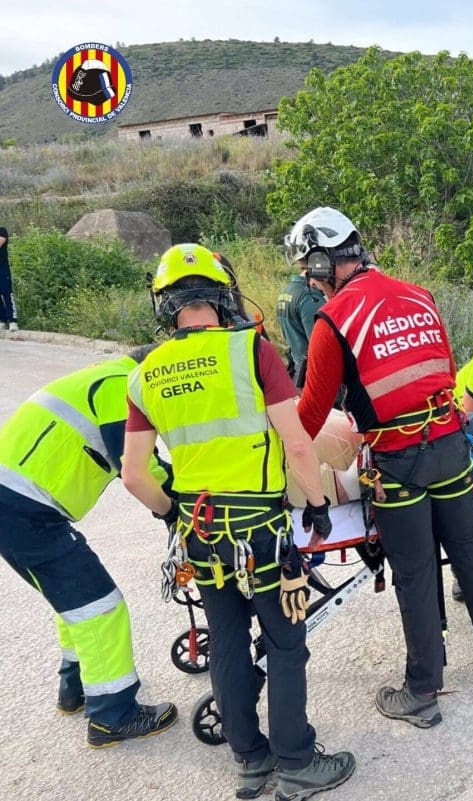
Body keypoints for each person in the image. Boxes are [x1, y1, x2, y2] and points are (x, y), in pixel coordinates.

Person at [122, 244, 354, 801]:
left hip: (199, 533)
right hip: (260, 534)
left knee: (225, 639)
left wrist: (173, 510)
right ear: (223, 295)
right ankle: (298, 763)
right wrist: (319, 506)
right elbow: (297, 442)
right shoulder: (251, 348)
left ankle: (250, 759)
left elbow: (135, 476)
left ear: (165, 305)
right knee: (284, 642)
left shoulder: (146, 371)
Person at [290, 207, 473, 730]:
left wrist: (278, 434)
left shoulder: (333, 320)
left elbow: (312, 413)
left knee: (413, 573)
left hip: (399, 460)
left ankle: (422, 691)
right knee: (467, 550)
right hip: (452, 444)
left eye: (309, 269)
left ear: (325, 260)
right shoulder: (418, 293)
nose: (309, 280)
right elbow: (445, 372)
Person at [0, 346, 176, 748]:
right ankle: (113, 715)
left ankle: (75, 687)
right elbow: (138, 465)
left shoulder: (100, 377)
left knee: (75, 602)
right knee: (102, 608)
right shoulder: (120, 387)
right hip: (24, 509)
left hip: (16, 504)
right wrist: (173, 506)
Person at [277, 261, 326, 389]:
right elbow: (322, 347)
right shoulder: (310, 297)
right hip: (313, 374)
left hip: (297, 368)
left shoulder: (288, 291)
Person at [0, 225, 17, 331]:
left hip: (2, 270)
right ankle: (2, 320)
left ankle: (13, 321)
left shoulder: (2, 231)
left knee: (7, 294)